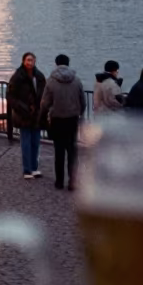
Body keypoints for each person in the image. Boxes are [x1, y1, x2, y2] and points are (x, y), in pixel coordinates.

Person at [40, 54, 85, 191]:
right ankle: (73, 181)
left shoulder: (51, 82)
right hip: (72, 119)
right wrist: (79, 113)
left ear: (56, 64)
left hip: (57, 120)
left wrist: (43, 115)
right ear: (68, 63)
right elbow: (82, 101)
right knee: (72, 150)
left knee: (59, 151)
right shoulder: (77, 80)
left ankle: (59, 181)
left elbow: (45, 102)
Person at [7, 52, 47, 179]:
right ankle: (27, 169)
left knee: (36, 141)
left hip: (36, 114)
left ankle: (34, 167)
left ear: (35, 61)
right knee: (25, 142)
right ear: (23, 61)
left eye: (32, 60)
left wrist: (42, 108)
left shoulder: (39, 76)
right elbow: (10, 96)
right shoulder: (17, 77)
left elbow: (44, 94)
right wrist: (22, 108)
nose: (30, 62)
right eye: (28, 60)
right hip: (24, 114)